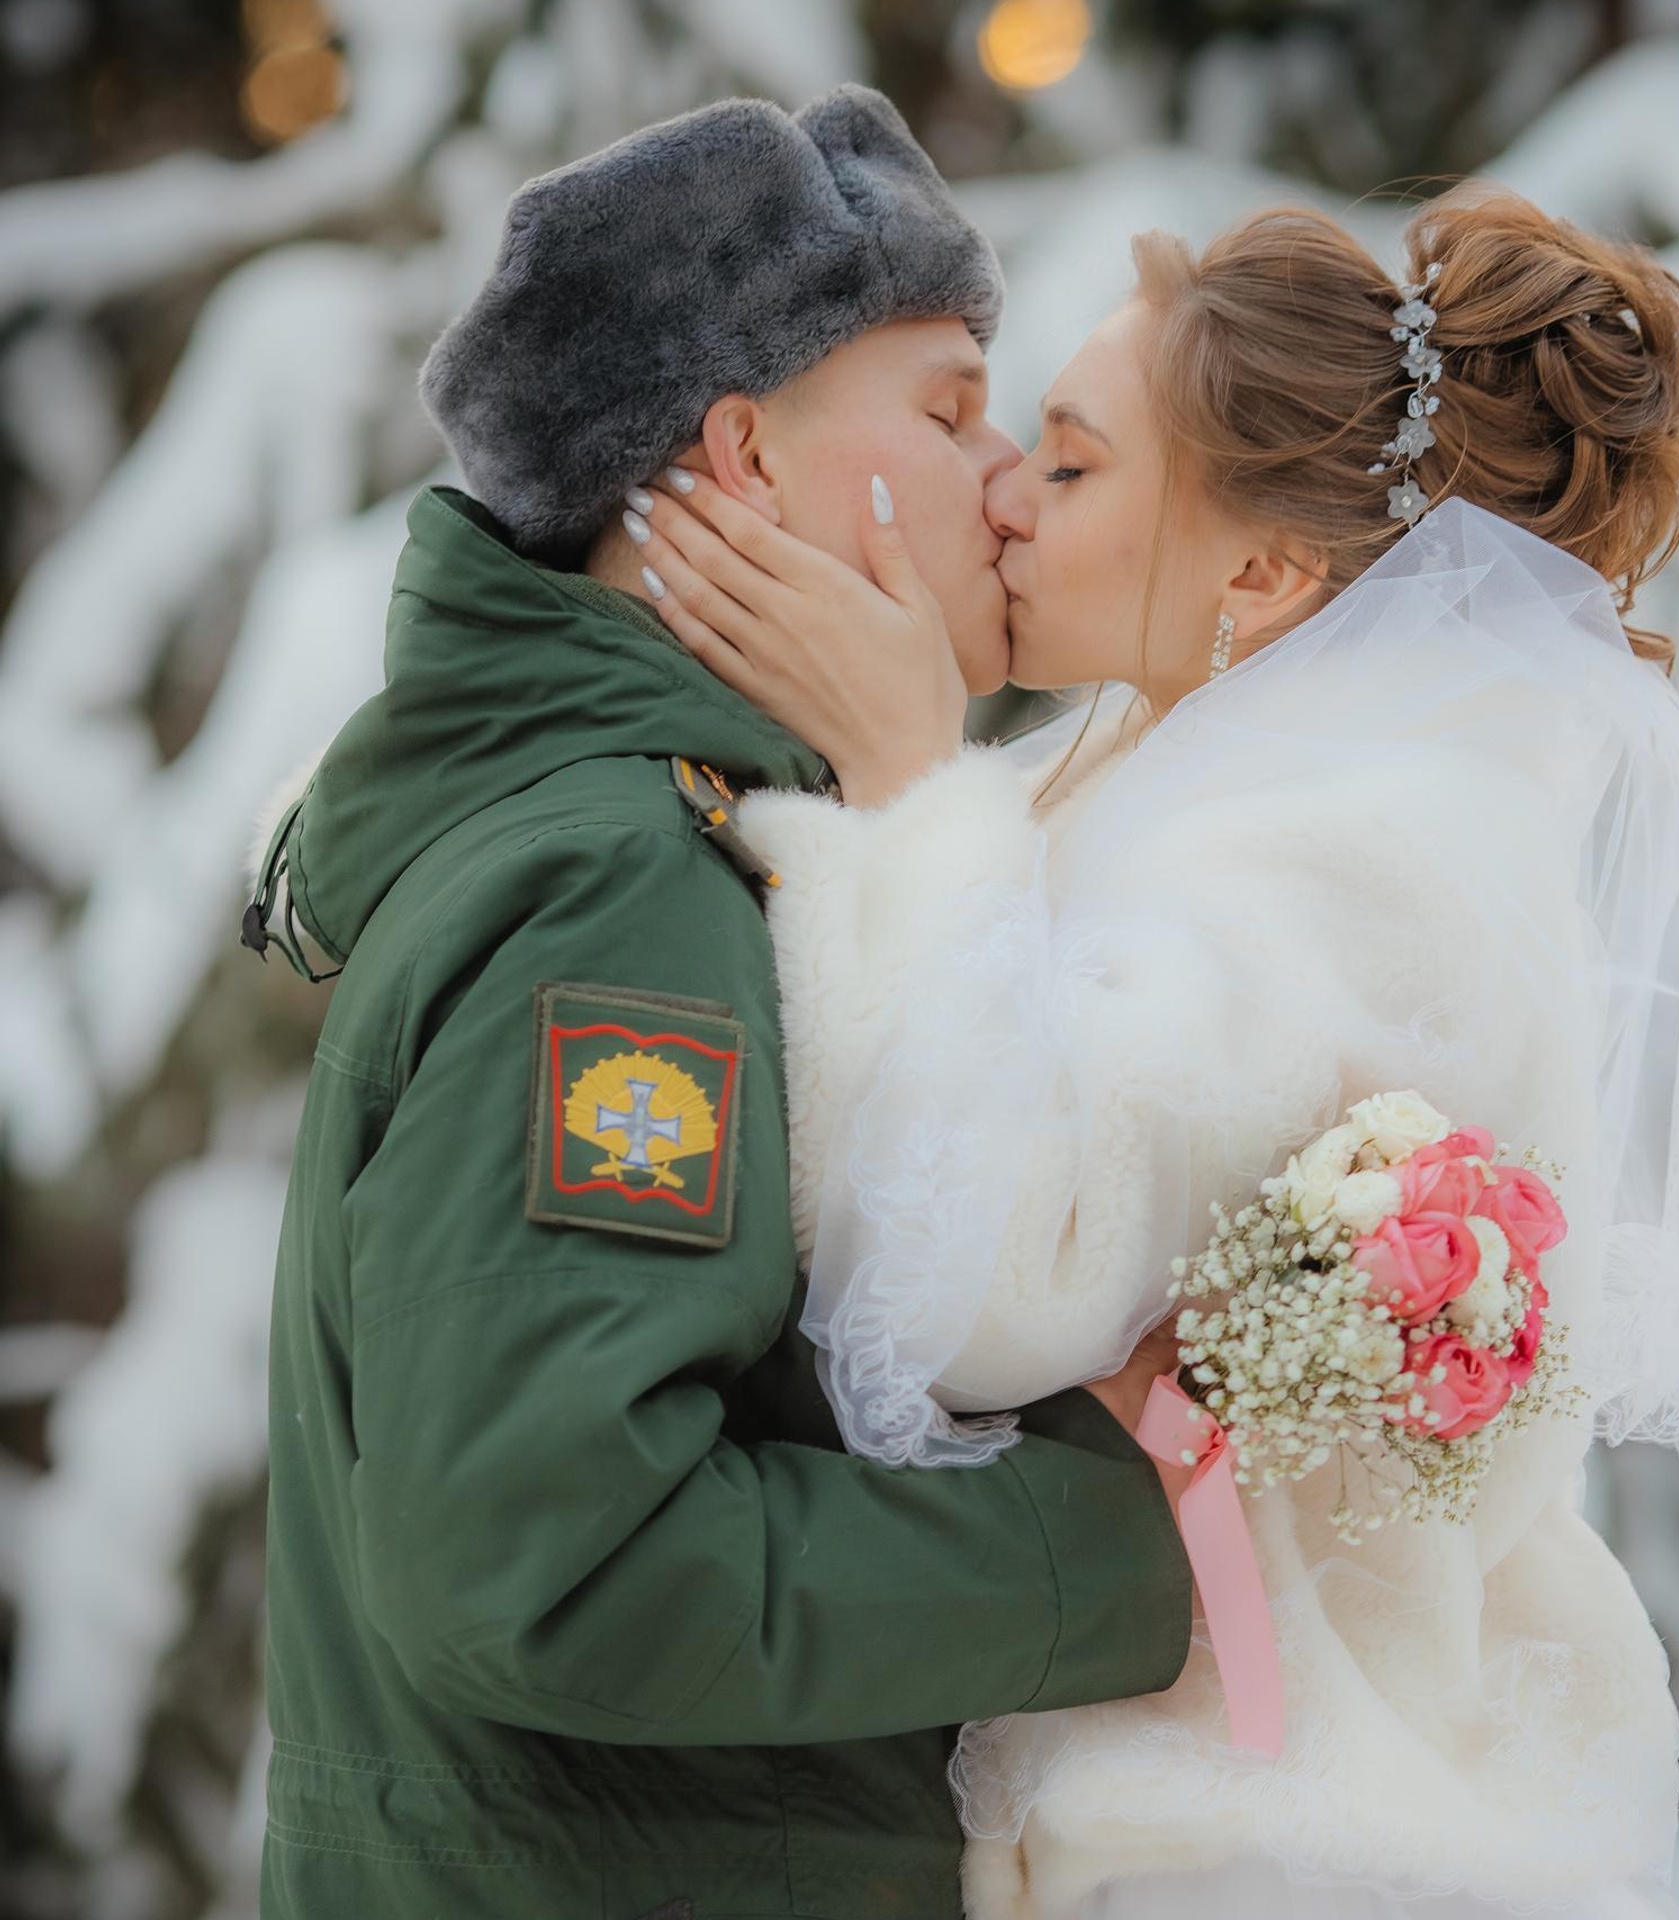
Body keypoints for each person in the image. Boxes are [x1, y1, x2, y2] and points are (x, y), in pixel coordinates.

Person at [621, 185, 1679, 1918]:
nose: (1004, 503)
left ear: (1260, 571)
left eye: (1076, 464)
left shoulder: (1345, 856)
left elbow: (994, 1290)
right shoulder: (1191, 767)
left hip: (1277, 1839)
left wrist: (900, 787)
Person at [242, 85, 1200, 1920]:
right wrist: (1112, 1542)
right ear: (749, 463)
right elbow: (554, 1563)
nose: (1004, 478)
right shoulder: (621, 890)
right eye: (945, 412)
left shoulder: (645, 841)